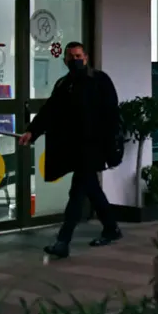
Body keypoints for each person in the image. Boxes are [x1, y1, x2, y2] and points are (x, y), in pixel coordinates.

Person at [19, 41, 122, 258]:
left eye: (78, 56)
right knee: (92, 189)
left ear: (86, 57)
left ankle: (63, 241)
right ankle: (112, 228)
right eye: (70, 57)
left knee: (76, 193)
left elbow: (112, 114)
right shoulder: (64, 84)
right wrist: (32, 132)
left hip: (93, 148)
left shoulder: (99, 81)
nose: (75, 60)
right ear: (65, 60)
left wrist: (109, 147)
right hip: (74, 148)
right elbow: (49, 111)